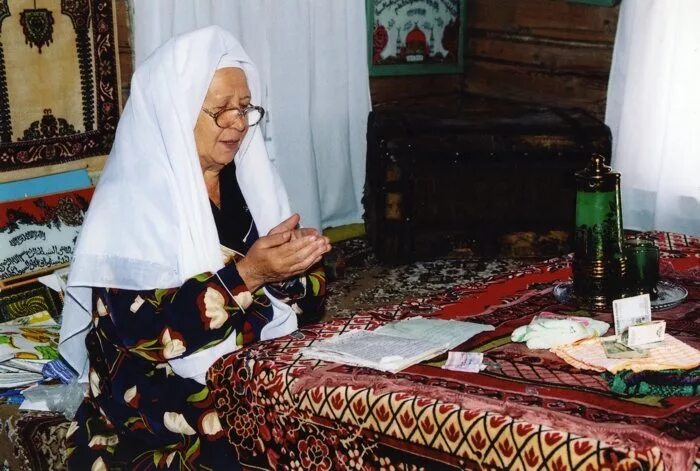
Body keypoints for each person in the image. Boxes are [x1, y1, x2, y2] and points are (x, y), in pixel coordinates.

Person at [58, 26, 331, 470]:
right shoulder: (132, 202)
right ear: (175, 111)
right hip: (150, 384)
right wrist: (248, 277)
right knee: (245, 429)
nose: (238, 123)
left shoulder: (249, 181)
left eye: (245, 108)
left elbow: (309, 295)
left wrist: (297, 266)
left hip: (248, 357)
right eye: (221, 110)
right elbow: (144, 336)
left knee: (334, 397)